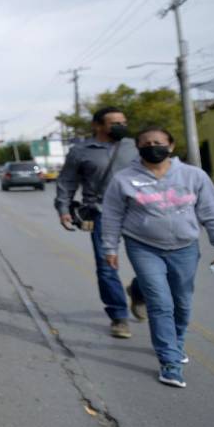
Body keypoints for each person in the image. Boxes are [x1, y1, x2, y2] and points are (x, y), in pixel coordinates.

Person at [100, 126, 214, 388]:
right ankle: (169, 362)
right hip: (143, 246)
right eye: (146, 143)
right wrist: (110, 247)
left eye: (158, 142)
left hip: (185, 247)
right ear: (138, 148)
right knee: (161, 303)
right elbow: (112, 215)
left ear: (171, 146)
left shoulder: (193, 176)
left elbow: (213, 214)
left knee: (182, 302)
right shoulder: (124, 179)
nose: (153, 146)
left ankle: (177, 342)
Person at [55, 107, 143, 338]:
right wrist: (64, 208)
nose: (121, 126)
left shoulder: (135, 146)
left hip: (141, 212)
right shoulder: (81, 150)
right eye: (115, 122)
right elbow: (67, 181)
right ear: (97, 126)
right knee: (107, 267)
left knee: (149, 262)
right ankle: (119, 317)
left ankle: (139, 290)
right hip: (102, 213)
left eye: (123, 122)